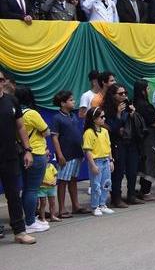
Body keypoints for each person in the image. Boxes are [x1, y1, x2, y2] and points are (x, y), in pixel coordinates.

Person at [0, 70, 36, 244]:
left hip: (10, 156)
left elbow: (20, 127)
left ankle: (20, 232)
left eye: (0, 79)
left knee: (13, 194)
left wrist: (27, 149)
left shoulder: (11, 101)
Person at [16, 85, 51, 233]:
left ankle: (29, 219)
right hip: (35, 153)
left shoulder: (14, 113)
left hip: (20, 152)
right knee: (32, 189)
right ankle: (30, 222)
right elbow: (46, 131)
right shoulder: (31, 113)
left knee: (27, 188)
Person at [50, 90, 90, 218]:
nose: (74, 102)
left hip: (77, 153)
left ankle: (76, 205)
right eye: (71, 100)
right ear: (62, 103)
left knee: (73, 180)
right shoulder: (57, 118)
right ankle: (61, 209)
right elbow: (55, 138)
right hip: (66, 155)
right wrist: (60, 155)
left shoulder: (73, 116)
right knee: (62, 181)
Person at [103, 83, 143, 207]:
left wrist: (134, 114)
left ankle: (131, 195)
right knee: (118, 172)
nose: (124, 95)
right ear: (113, 95)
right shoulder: (107, 109)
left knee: (132, 170)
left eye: (125, 93)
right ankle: (117, 198)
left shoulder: (129, 106)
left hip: (131, 142)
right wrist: (118, 115)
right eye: (120, 94)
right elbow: (113, 128)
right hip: (118, 143)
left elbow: (139, 124)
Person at [134, 80, 155, 198]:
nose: (149, 90)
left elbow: (154, 117)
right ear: (142, 91)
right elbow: (153, 122)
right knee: (150, 163)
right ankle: (146, 192)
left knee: (145, 164)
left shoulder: (136, 102)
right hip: (149, 139)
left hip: (144, 138)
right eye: (147, 89)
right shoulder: (143, 105)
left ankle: (144, 190)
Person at [82, 106, 115, 216]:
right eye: (101, 117)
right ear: (94, 118)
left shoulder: (105, 131)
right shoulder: (89, 132)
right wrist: (92, 165)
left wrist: (111, 160)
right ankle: (95, 206)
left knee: (106, 183)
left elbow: (108, 147)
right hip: (96, 161)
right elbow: (88, 150)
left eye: (104, 116)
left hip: (105, 160)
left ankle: (102, 204)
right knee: (96, 185)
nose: (104, 119)